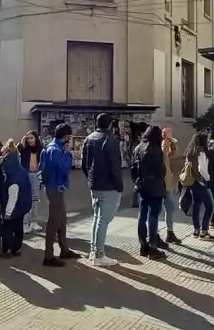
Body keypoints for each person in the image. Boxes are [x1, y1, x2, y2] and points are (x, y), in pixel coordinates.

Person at [81, 113, 124, 267]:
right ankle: (99, 254)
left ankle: (94, 251)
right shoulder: (111, 140)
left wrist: (90, 179)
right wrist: (119, 186)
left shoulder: (89, 139)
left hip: (95, 184)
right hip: (108, 185)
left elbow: (84, 164)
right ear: (110, 124)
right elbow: (114, 166)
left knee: (97, 218)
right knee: (103, 220)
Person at [39, 124, 81, 267]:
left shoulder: (54, 147)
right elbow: (64, 168)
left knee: (62, 220)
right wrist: (68, 153)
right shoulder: (55, 150)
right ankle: (48, 256)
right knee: (54, 221)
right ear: (66, 136)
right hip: (54, 188)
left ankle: (64, 249)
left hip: (56, 187)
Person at [131, 126, 168, 259]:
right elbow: (161, 171)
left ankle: (143, 245)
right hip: (155, 186)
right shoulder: (155, 149)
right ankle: (152, 246)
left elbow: (133, 169)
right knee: (153, 215)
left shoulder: (137, 148)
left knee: (142, 214)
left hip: (142, 186)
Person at [0, 140, 34, 258]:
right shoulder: (21, 170)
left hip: (14, 208)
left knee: (7, 228)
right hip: (23, 207)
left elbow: (12, 198)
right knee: (18, 228)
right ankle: (17, 249)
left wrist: (7, 213)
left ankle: (7, 250)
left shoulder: (12, 178)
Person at [184, 133, 214, 239]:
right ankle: (204, 231)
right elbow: (202, 169)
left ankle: (196, 230)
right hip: (201, 182)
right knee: (210, 206)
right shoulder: (201, 153)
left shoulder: (190, 152)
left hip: (193, 182)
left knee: (196, 205)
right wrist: (208, 178)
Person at [18, 131, 44, 234]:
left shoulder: (40, 149)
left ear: (36, 138)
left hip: (36, 174)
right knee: (26, 199)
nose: (30, 140)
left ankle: (34, 221)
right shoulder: (23, 149)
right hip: (26, 175)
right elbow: (16, 151)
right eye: (28, 138)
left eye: (32, 138)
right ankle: (25, 223)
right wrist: (22, 142)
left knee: (35, 199)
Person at [159, 127, 182, 244]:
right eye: (168, 133)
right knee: (167, 208)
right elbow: (165, 155)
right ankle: (168, 232)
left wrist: (173, 144)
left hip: (166, 180)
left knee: (169, 208)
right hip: (163, 181)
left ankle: (169, 232)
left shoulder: (168, 143)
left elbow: (173, 155)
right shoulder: (164, 143)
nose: (171, 134)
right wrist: (169, 144)